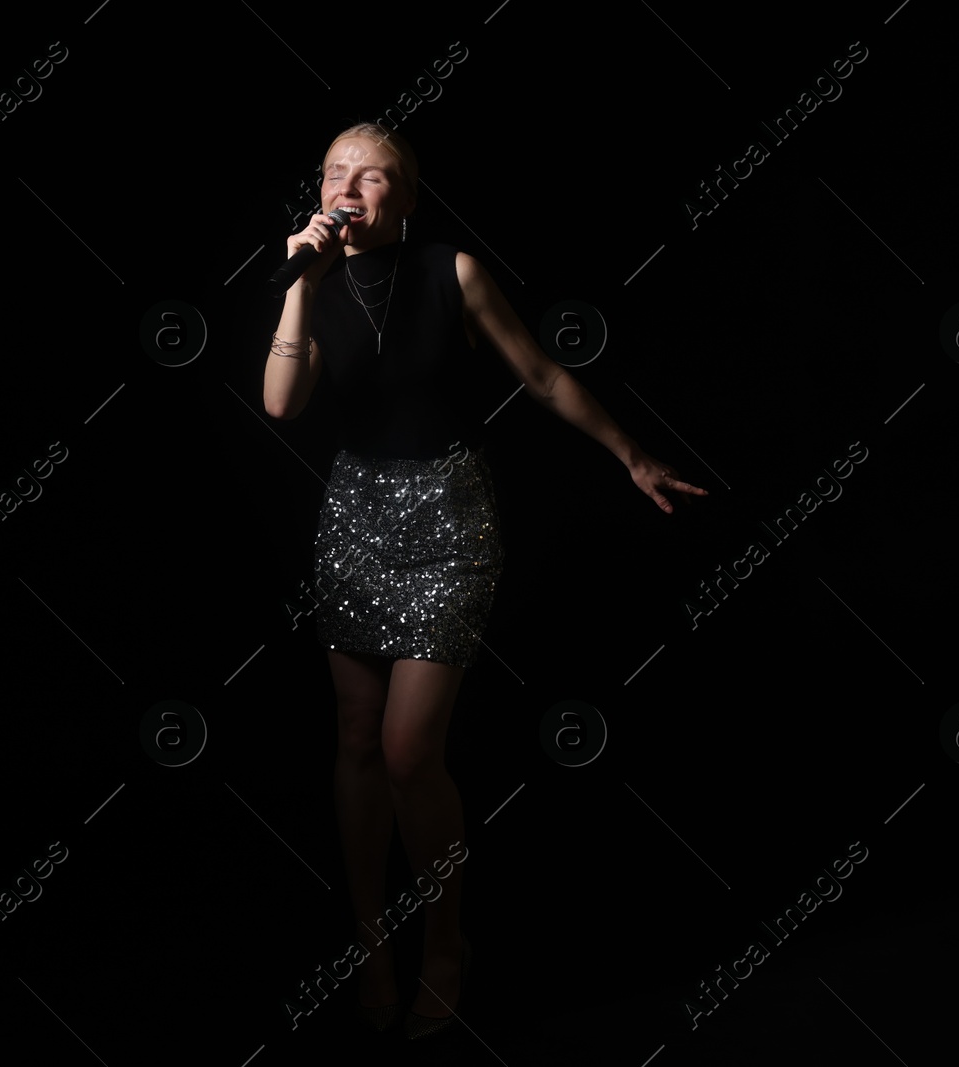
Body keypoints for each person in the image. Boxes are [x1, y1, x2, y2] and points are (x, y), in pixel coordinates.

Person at [263, 124, 707, 1042]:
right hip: (354, 518)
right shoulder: (307, 278)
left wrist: (630, 454)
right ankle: (371, 942)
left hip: (449, 519)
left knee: (405, 750)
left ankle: (446, 943)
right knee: (353, 740)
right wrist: (299, 283)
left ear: (407, 197)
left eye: (373, 176)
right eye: (336, 173)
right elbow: (280, 404)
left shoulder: (451, 272)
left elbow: (542, 375)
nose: (350, 188)